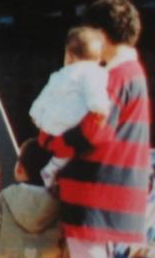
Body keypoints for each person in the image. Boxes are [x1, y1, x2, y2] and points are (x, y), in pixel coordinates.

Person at [38, 0, 150, 258]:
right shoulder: (133, 74)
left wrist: (49, 142)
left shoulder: (111, 78)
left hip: (96, 189)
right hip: (121, 189)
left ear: (100, 34)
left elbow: (93, 132)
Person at [30, 26, 110, 187]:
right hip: (69, 130)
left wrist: (38, 120)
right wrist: (101, 110)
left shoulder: (58, 75)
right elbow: (97, 101)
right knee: (73, 150)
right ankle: (51, 169)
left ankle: (51, 170)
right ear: (98, 58)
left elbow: (40, 103)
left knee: (62, 151)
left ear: (69, 55)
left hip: (49, 130)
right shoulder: (95, 73)